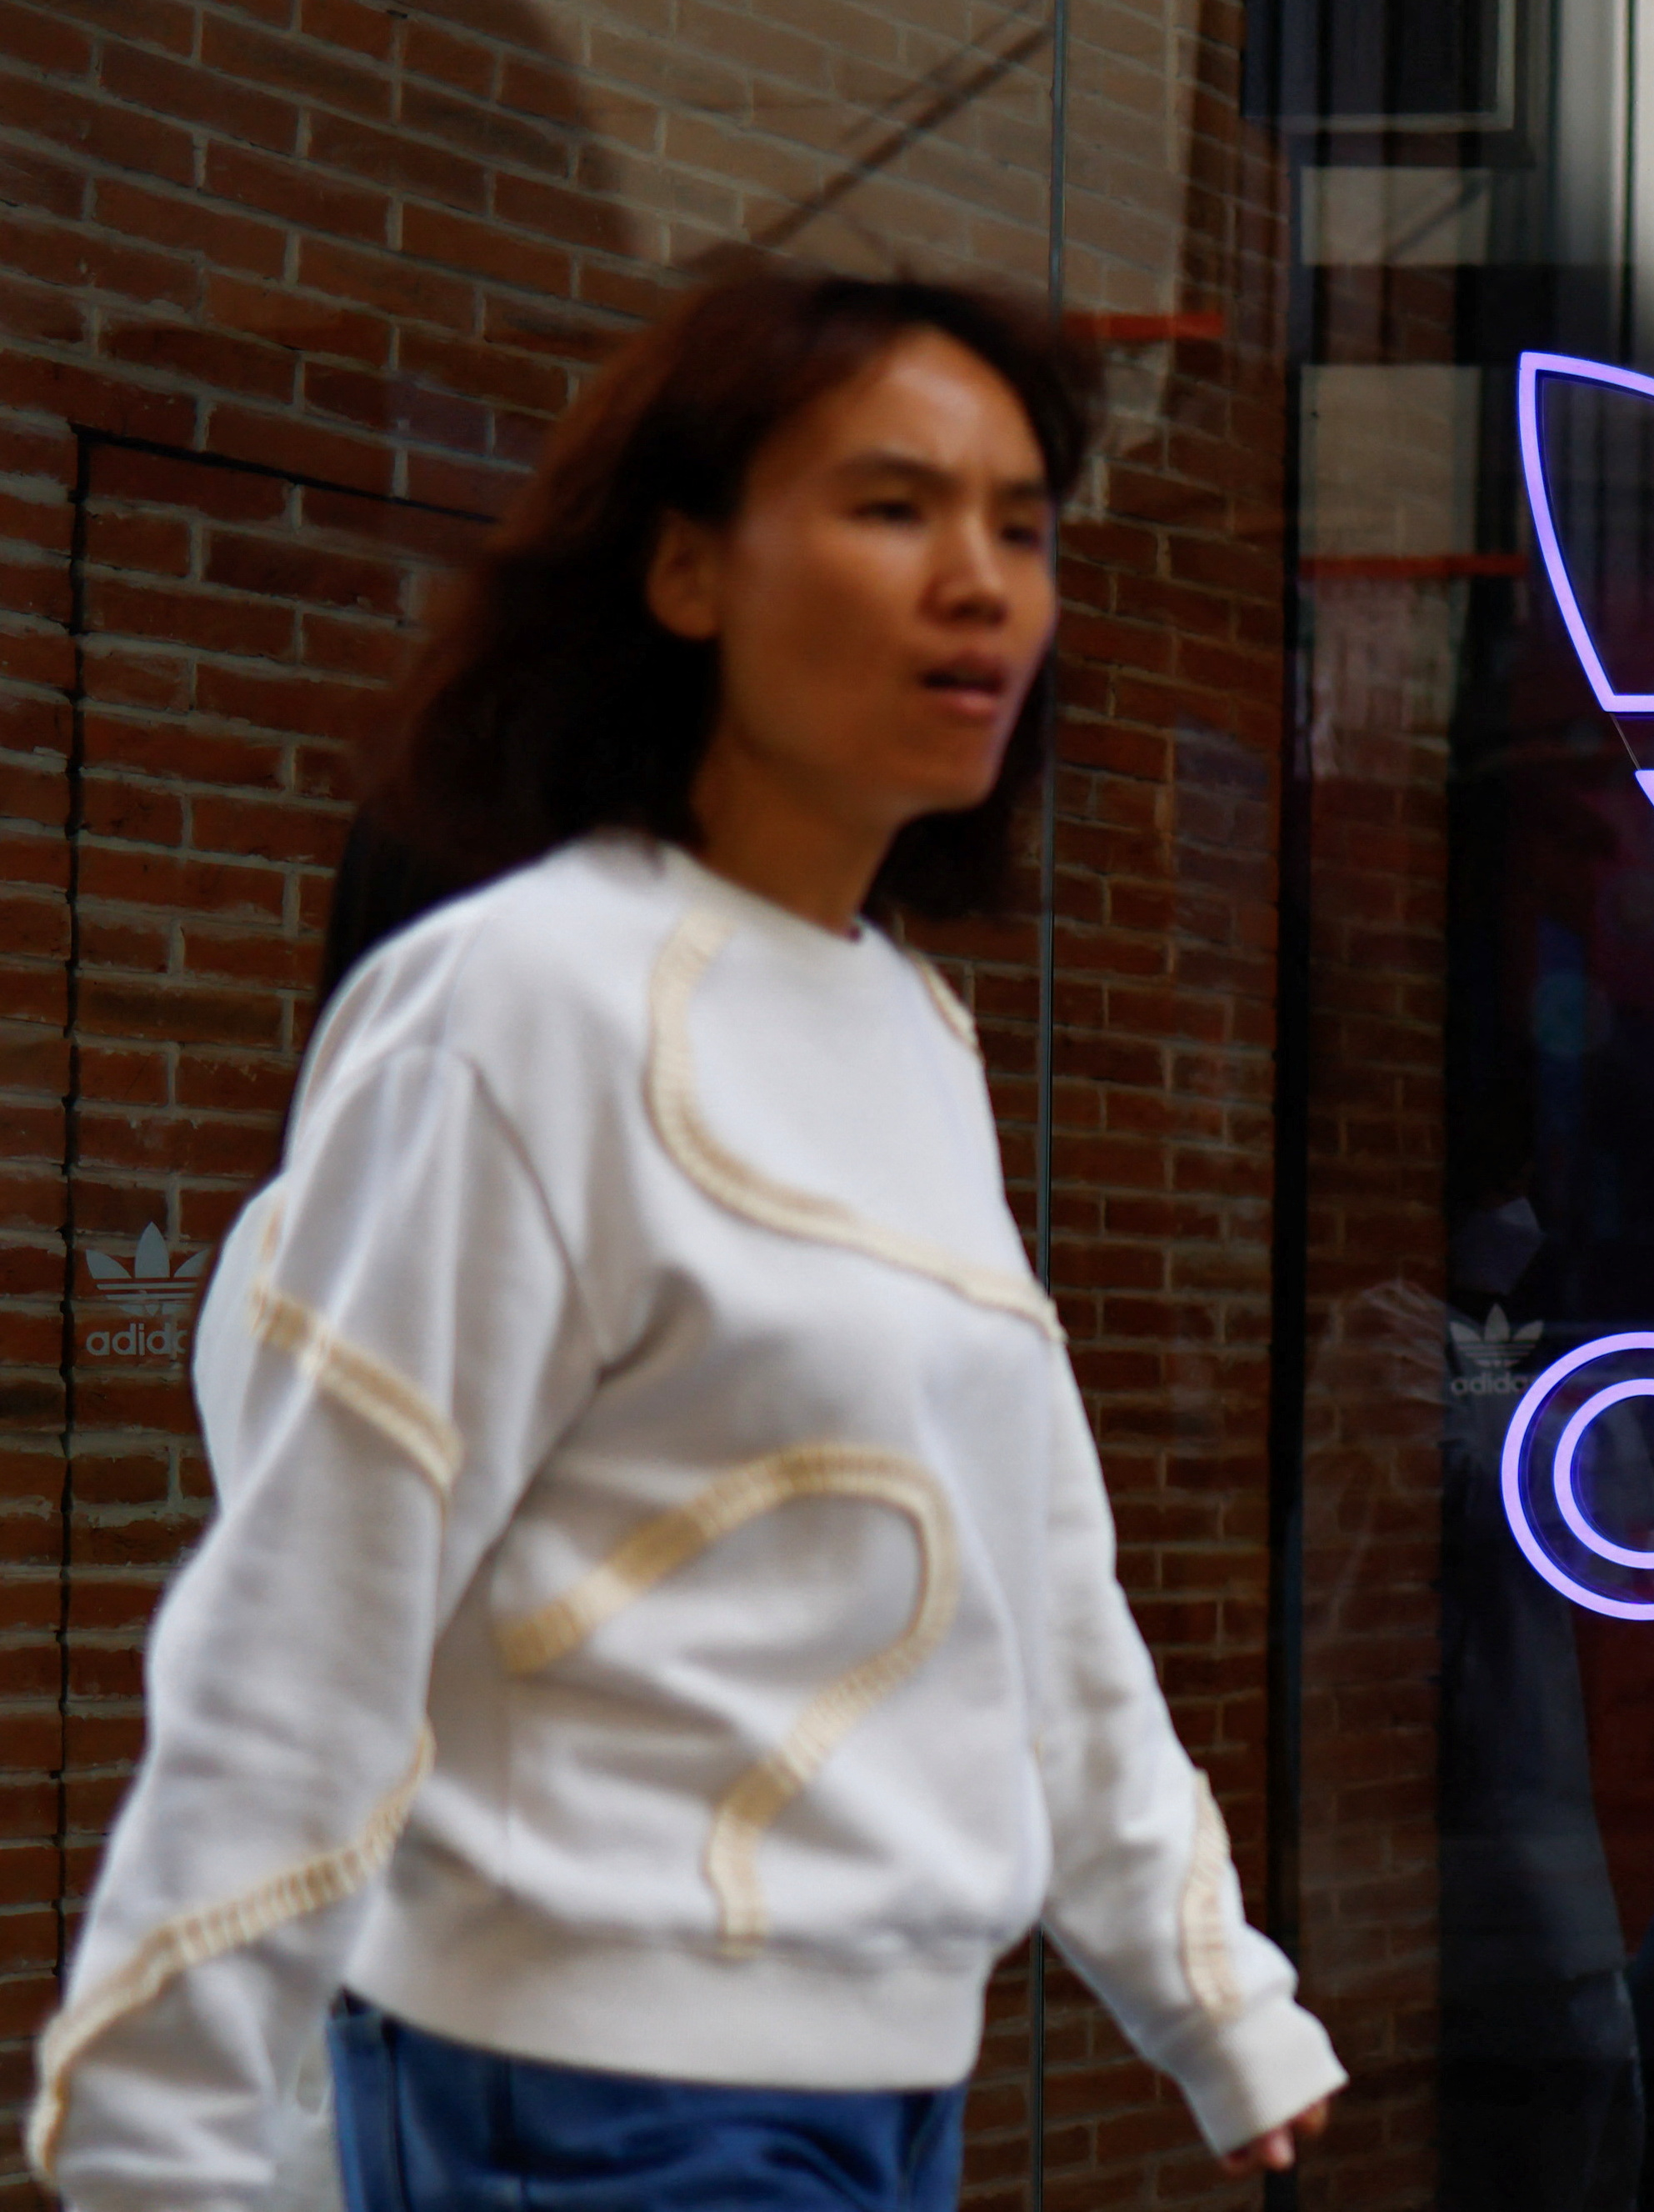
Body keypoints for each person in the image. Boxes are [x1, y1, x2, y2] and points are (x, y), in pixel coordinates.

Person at [27, 269, 1344, 2211]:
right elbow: (311, 1609)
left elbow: (1038, 1580)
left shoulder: (907, 1032)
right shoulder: (525, 999)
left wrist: (1208, 1986)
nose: (978, 583)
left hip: (880, 2076)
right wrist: (155, 2127)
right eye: (892, 505)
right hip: (580, 2080)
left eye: (1021, 526)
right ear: (684, 568)